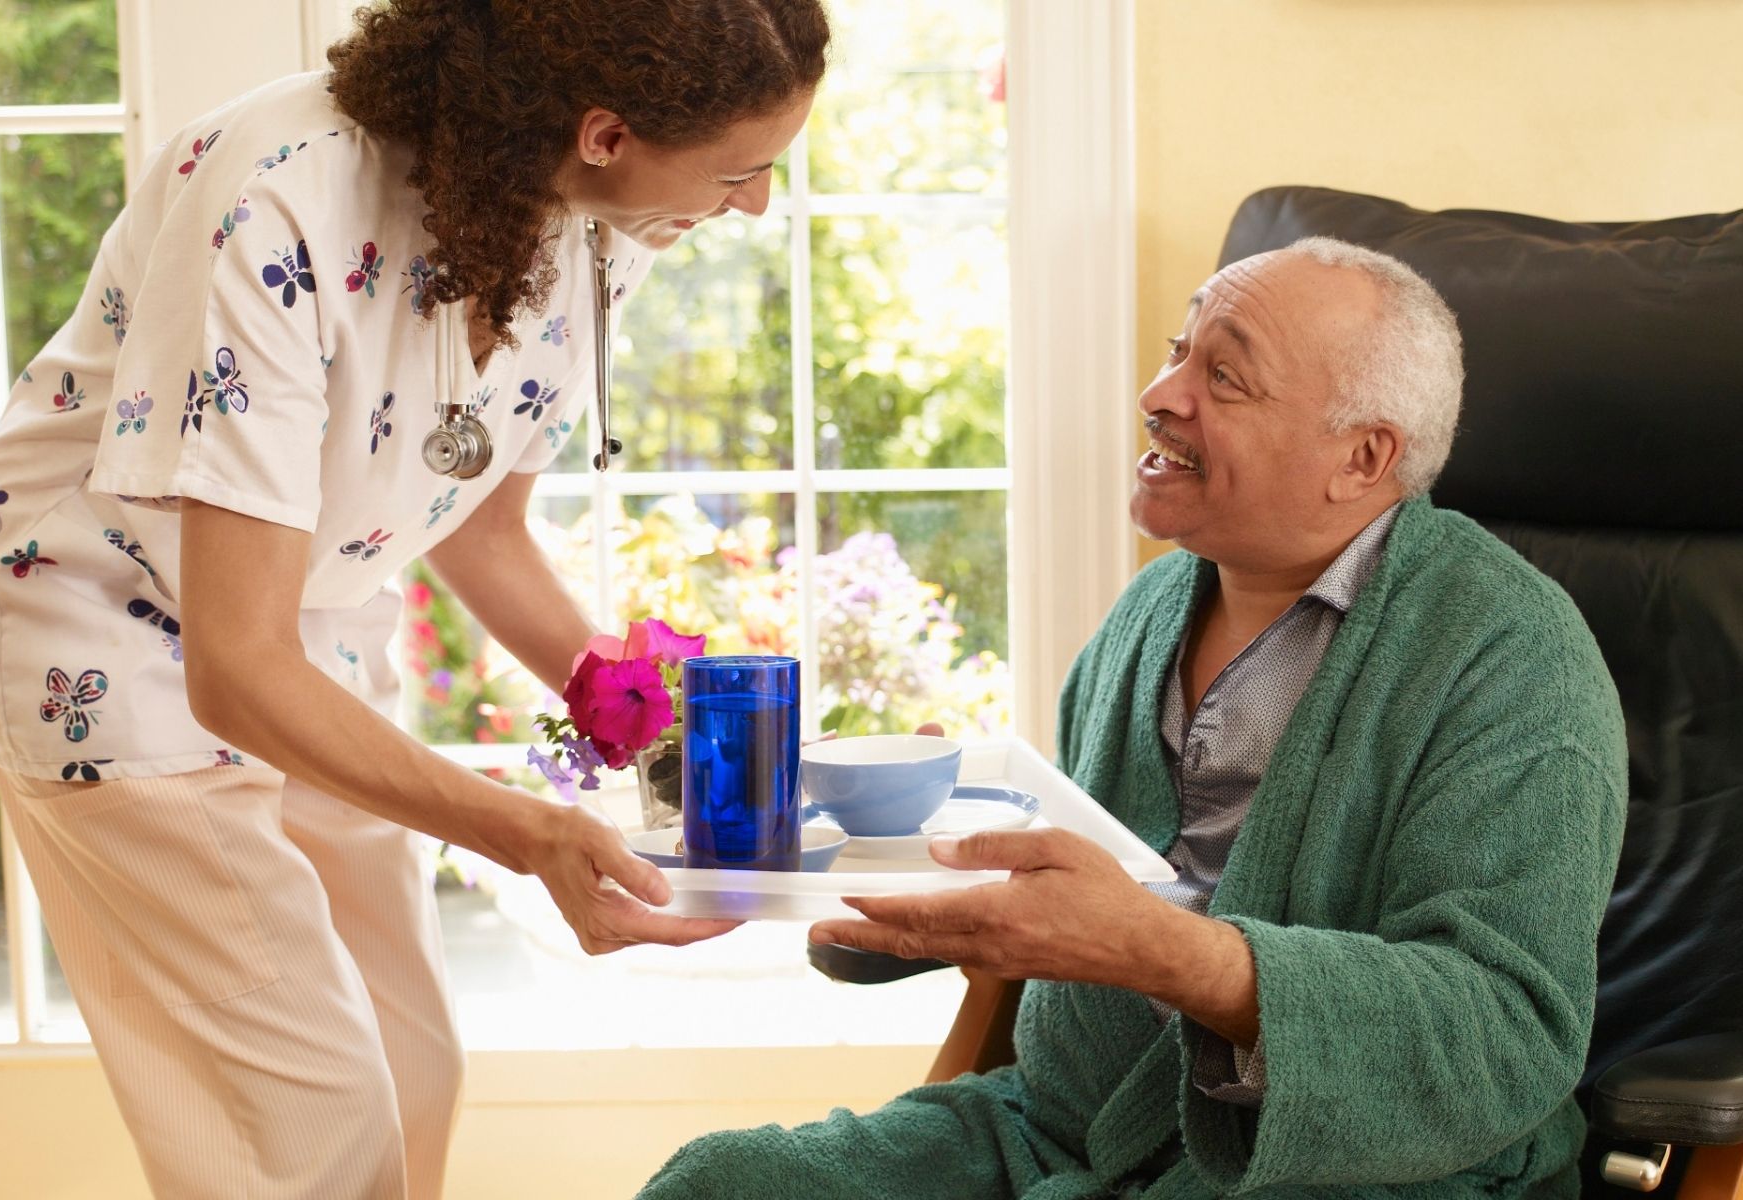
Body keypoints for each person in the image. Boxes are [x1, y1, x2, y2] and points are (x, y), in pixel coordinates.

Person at [0, 2, 828, 1196]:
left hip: (307, 620)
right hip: (103, 627)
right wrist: (527, 836)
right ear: (607, 131)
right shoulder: (278, 196)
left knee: (412, 1070)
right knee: (308, 1130)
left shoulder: (597, 221)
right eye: (742, 172)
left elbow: (482, 531)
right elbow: (233, 664)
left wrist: (647, 717)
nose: (755, 205)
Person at [637, 238, 1629, 1200]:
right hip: (1066, 1134)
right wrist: (909, 893)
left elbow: (1508, 1039)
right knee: (719, 1183)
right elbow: (1071, 895)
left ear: (1362, 458)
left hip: (1351, 1173)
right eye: (1176, 350)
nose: (1160, 396)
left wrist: (1161, 951)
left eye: (1226, 378)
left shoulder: (1508, 659)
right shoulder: (1146, 618)